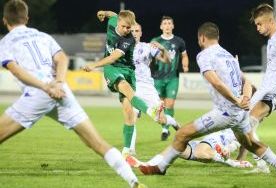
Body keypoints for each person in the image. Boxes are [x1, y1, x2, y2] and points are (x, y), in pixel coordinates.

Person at [0, 1, 145, 188]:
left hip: (38, 93)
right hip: (62, 92)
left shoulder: (5, 42)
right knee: (97, 143)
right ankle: (133, 181)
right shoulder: (42, 36)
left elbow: (17, 71)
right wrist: (59, 83)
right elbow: (62, 58)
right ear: (27, 18)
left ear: (5, 20)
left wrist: (46, 87)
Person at [137, 22, 276, 178]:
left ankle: (161, 167)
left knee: (181, 135)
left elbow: (215, 82)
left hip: (225, 114)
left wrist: (236, 100)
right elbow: (246, 81)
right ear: (217, 37)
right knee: (251, 144)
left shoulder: (204, 55)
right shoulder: (228, 56)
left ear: (202, 38)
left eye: (199, 39)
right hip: (240, 113)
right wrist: (245, 99)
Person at [82, 10, 164, 157]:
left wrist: (94, 65)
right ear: (118, 23)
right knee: (125, 87)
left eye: (130, 28)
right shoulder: (113, 21)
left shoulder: (129, 39)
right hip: (112, 69)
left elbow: (113, 56)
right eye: (125, 27)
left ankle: (126, 152)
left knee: (128, 112)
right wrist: (102, 13)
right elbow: (112, 14)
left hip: (128, 70)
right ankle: (151, 111)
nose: (128, 30)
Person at [237, 3, 276, 174]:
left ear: (270, 21)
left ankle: (275, 167)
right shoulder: (273, 39)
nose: (257, 28)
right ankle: (246, 161)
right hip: (268, 88)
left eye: (259, 24)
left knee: (246, 124)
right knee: (244, 123)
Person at [123, 23, 180, 155]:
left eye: (137, 30)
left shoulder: (147, 47)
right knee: (131, 116)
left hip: (146, 87)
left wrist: (162, 49)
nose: (134, 33)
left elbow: (168, 61)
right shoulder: (123, 48)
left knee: (160, 119)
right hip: (131, 86)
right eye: (132, 31)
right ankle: (130, 150)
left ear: (141, 33)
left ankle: (173, 122)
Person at [126, 129, 253, 169]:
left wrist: (228, 149)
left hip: (215, 144)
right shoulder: (233, 117)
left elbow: (241, 144)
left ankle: (232, 163)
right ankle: (147, 164)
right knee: (175, 146)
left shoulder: (246, 131)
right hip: (205, 142)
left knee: (205, 153)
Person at [151, 16, 189, 141]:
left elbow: (184, 55)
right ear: (161, 26)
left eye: (169, 23)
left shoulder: (179, 41)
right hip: (158, 77)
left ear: (173, 26)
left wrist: (185, 64)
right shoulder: (155, 41)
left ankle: (165, 129)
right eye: (165, 23)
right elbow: (149, 57)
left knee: (170, 104)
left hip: (173, 78)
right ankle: (167, 125)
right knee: (160, 105)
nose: (167, 26)